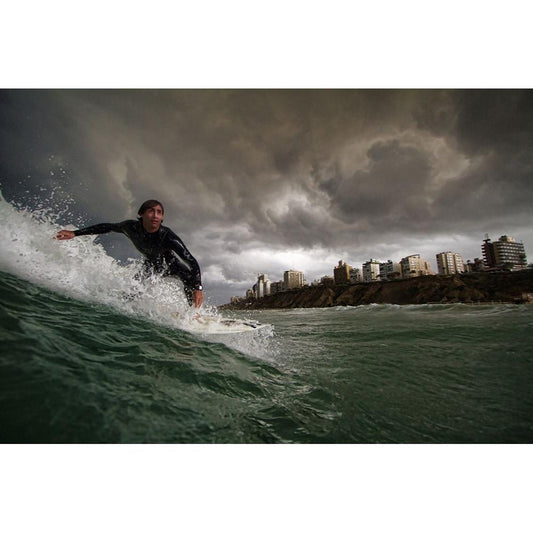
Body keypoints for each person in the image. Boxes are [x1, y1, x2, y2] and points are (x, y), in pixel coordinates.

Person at [56, 199, 203, 308]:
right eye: (151, 211)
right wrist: (75, 233)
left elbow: (191, 260)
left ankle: (193, 315)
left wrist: (198, 287)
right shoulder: (130, 227)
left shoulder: (168, 236)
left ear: (162, 218)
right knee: (131, 294)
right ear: (141, 214)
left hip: (172, 266)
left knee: (191, 281)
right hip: (151, 267)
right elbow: (107, 227)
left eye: (159, 212)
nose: (155, 215)